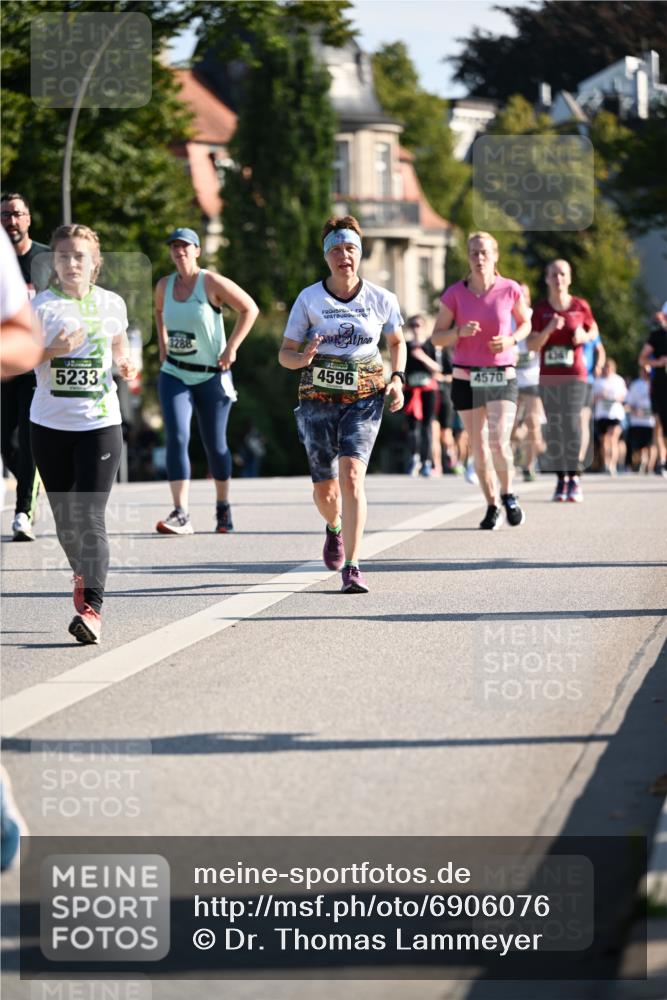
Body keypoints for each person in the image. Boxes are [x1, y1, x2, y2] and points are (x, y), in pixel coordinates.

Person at [278, 215, 405, 593]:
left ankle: (352, 565)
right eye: (335, 249)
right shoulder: (309, 299)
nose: (343, 256)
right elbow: (285, 353)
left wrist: (397, 378)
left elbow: (397, 343)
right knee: (326, 492)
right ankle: (333, 526)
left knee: (351, 476)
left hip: (365, 396)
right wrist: (301, 359)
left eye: (350, 248)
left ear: (359, 253)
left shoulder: (382, 299)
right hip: (317, 398)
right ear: (326, 257)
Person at [30, 223, 139, 644]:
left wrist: (127, 365)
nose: (71, 262)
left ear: (95, 263)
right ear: (53, 263)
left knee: (90, 516)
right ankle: (83, 572)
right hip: (50, 425)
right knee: (65, 523)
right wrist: (55, 349)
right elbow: (17, 359)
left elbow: (119, 350)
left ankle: (92, 610)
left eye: (80, 256)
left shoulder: (111, 304)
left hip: (99, 424)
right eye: (63, 256)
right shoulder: (41, 308)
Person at [154, 227, 259, 535]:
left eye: (186, 246)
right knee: (176, 437)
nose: (180, 251)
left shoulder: (210, 282)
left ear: (197, 250)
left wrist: (231, 348)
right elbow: (159, 313)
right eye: (175, 246)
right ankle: (181, 512)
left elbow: (249, 308)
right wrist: (162, 346)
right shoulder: (164, 284)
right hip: (174, 373)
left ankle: (223, 507)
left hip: (211, 376)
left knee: (216, 445)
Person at [432, 231, 531, 529]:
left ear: (495, 256)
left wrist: (511, 339)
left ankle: (509, 494)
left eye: (484, 252)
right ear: (468, 257)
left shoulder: (510, 289)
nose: (479, 258)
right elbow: (437, 337)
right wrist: (457, 333)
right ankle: (491, 505)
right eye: (474, 253)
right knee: (478, 446)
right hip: (466, 377)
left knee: (498, 441)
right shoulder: (454, 294)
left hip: (501, 374)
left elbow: (526, 323)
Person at [527, 259, 599, 503]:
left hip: (575, 375)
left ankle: (574, 477)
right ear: (547, 278)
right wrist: (548, 329)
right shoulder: (540, 310)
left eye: (563, 274)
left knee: (571, 422)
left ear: (569, 278)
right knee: (555, 428)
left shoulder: (580, 306)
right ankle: (561, 480)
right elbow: (531, 345)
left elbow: (594, 330)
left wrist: (584, 335)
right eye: (554, 274)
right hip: (549, 377)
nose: (558, 279)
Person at [1, 192, 50, 541]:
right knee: (7, 442)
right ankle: (29, 486)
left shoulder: (46, 259)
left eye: (17, 214)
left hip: (37, 366)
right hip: (4, 365)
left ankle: (23, 513)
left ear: (28, 219)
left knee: (27, 437)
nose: (11, 221)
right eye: (5, 215)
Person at [510, 282, 544, 482]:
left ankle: (529, 466)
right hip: (512, 379)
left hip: (532, 378)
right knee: (512, 428)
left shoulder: (534, 316)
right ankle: (522, 447)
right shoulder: (507, 317)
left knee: (533, 424)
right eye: (518, 294)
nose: (522, 297)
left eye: (525, 294)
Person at [403, 313, 441, 477]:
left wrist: (422, 357)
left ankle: (427, 461)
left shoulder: (431, 345)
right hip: (411, 390)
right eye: (413, 325)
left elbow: (438, 368)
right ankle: (414, 458)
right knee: (412, 428)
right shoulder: (406, 345)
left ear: (424, 327)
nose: (416, 329)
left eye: (419, 325)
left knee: (427, 426)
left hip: (428, 390)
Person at [639, 308, 667, 477]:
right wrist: (657, 362)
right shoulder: (656, 336)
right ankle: (662, 460)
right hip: (659, 386)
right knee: (658, 423)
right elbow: (642, 358)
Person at [593, 358, 627, 475]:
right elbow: (592, 398)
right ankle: (606, 463)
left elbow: (624, 397)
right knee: (604, 441)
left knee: (613, 439)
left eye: (609, 368)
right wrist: (600, 396)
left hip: (615, 414)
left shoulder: (618, 380)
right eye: (605, 367)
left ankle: (613, 465)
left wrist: (615, 398)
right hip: (602, 414)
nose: (607, 370)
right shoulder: (598, 381)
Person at [580, 326, 605, 470]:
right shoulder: (565, 325)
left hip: (586, 380)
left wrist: (599, 365)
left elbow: (600, 350)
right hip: (566, 380)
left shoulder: (591, 330)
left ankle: (579, 459)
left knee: (583, 420)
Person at [625, 365, 656, 474]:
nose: (646, 373)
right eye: (644, 371)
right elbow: (628, 404)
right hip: (638, 421)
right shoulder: (635, 385)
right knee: (641, 446)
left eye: (648, 372)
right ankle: (643, 463)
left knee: (652, 445)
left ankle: (650, 467)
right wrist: (635, 411)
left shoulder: (656, 384)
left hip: (652, 422)